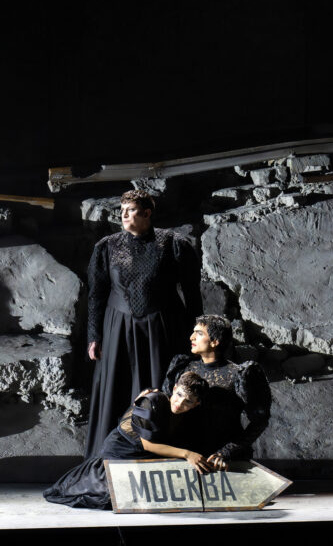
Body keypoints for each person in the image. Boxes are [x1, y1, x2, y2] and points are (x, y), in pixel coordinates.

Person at [85, 189, 203, 457]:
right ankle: (111, 457)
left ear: (147, 213)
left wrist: (195, 335)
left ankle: (160, 455)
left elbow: (192, 295)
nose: (124, 215)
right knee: (117, 387)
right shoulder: (107, 246)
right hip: (118, 328)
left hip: (162, 327)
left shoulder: (173, 243)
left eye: (131, 210)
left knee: (159, 386)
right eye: (122, 210)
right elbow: (96, 294)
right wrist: (94, 336)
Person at [43, 372, 214, 509]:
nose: (180, 403)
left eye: (188, 401)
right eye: (179, 395)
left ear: (196, 404)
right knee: (113, 497)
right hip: (120, 451)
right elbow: (148, 443)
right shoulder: (153, 400)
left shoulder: (184, 416)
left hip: (144, 457)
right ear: (174, 388)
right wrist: (187, 454)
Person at [162, 314, 272, 464]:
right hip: (185, 455)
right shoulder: (183, 366)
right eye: (194, 332)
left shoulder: (240, 374)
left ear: (215, 341)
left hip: (221, 460)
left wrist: (226, 452)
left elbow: (260, 421)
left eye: (199, 333)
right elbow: (166, 404)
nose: (191, 337)